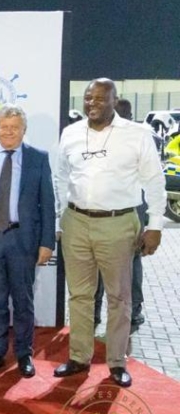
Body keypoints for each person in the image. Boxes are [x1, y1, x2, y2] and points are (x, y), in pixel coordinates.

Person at [54, 78, 166, 388]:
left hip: (118, 223)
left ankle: (117, 362)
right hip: (76, 221)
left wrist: (155, 226)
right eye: (88, 98)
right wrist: (61, 219)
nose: (92, 103)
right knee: (79, 295)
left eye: (101, 98)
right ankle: (79, 356)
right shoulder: (71, 133)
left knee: (119, 296)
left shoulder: (136, 134)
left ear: (115, 101)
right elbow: (61, 178)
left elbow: (154, 181)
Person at [0, 105, 55, 378]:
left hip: (23, 239)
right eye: (4, 126)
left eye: (14, 127)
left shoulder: (37, 159)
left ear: (24, 130)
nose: (8, 132)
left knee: (23, 300)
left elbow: (48, 203)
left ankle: (24, 353)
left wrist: (47, 243)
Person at [92, 98, 147, 334]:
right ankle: (131, 312)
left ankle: (99, 313)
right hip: (126, 212)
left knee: (118, 267)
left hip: (123, 214)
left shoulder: (132, 139)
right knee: (129, 266)